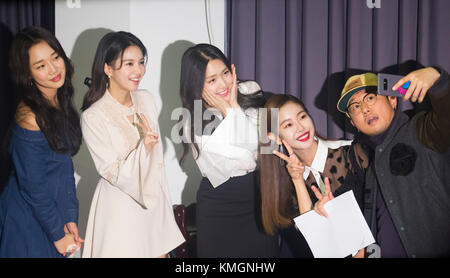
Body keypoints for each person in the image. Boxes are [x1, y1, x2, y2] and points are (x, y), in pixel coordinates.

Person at [80, 31, 184, 258]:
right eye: (129, 64)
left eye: (141, 62)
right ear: (108, 69)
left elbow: (156, 166)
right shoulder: (93, 116)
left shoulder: (146, 99)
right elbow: (112, 172)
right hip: (119, 210)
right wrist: (143, 149)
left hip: (153, 204)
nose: (138, 71)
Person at [337, 66, 450, 257]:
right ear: (353, 123)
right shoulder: (371, 167)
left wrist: (438, 81)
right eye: (355, 106)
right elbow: (375, 231)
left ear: (392, 99)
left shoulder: (422, 130)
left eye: (370, 97)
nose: (365, 109)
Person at [178, 43, 279, 258]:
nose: (224, 83)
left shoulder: (250, 89)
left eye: (225, 73)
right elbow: (253, 146)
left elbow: (269, 146)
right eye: (212, 80)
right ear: (196, 85)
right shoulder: (192, 121)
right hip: (219, 204)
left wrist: (232, 109)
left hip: (261, 195)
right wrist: (230, 109)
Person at [0, 27, 83, 257]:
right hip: (28, 218)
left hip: (50, 213)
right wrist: (58, 234)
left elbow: (64, 166)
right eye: (40, 65)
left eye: (55, 57)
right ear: (27, 74)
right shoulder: (30, 117)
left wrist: (70, 217)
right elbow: (33, 187)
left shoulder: (57, 99)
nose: (54, 69)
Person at [259, 94, 368, 258]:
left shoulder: (351, 153)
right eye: (288, 125)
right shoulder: (286, 185)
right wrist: (297, 180)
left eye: (302, 116)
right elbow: (315, 238)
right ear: (275, 138)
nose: (300, 127)